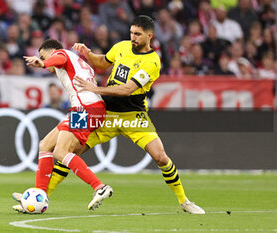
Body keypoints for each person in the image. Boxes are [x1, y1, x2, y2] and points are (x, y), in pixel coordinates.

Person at [47, 15, 205, 214]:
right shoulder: (121, 46)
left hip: (133, 116)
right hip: (105, 113)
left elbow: (127, 89)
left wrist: (94, 89)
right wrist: (88, 53)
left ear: (150, 36)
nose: (133, 37)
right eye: (131, 33)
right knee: (69, 150)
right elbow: (103, 63)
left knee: (161, 157)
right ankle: (42, 196)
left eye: (138, 34)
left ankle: (184, 201)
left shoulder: (152, 62)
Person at [12, 39, 113, 212]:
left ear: (52, 52)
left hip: (85, 109)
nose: (42, 59)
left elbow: (58, 58)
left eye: (43, 55)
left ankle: (100, 187)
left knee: (60, 152)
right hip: (88, 108)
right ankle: (40, 195)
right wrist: (45, 62)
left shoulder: (63, 54)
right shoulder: (79, 62)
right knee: (45, 145)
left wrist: (44, 63)